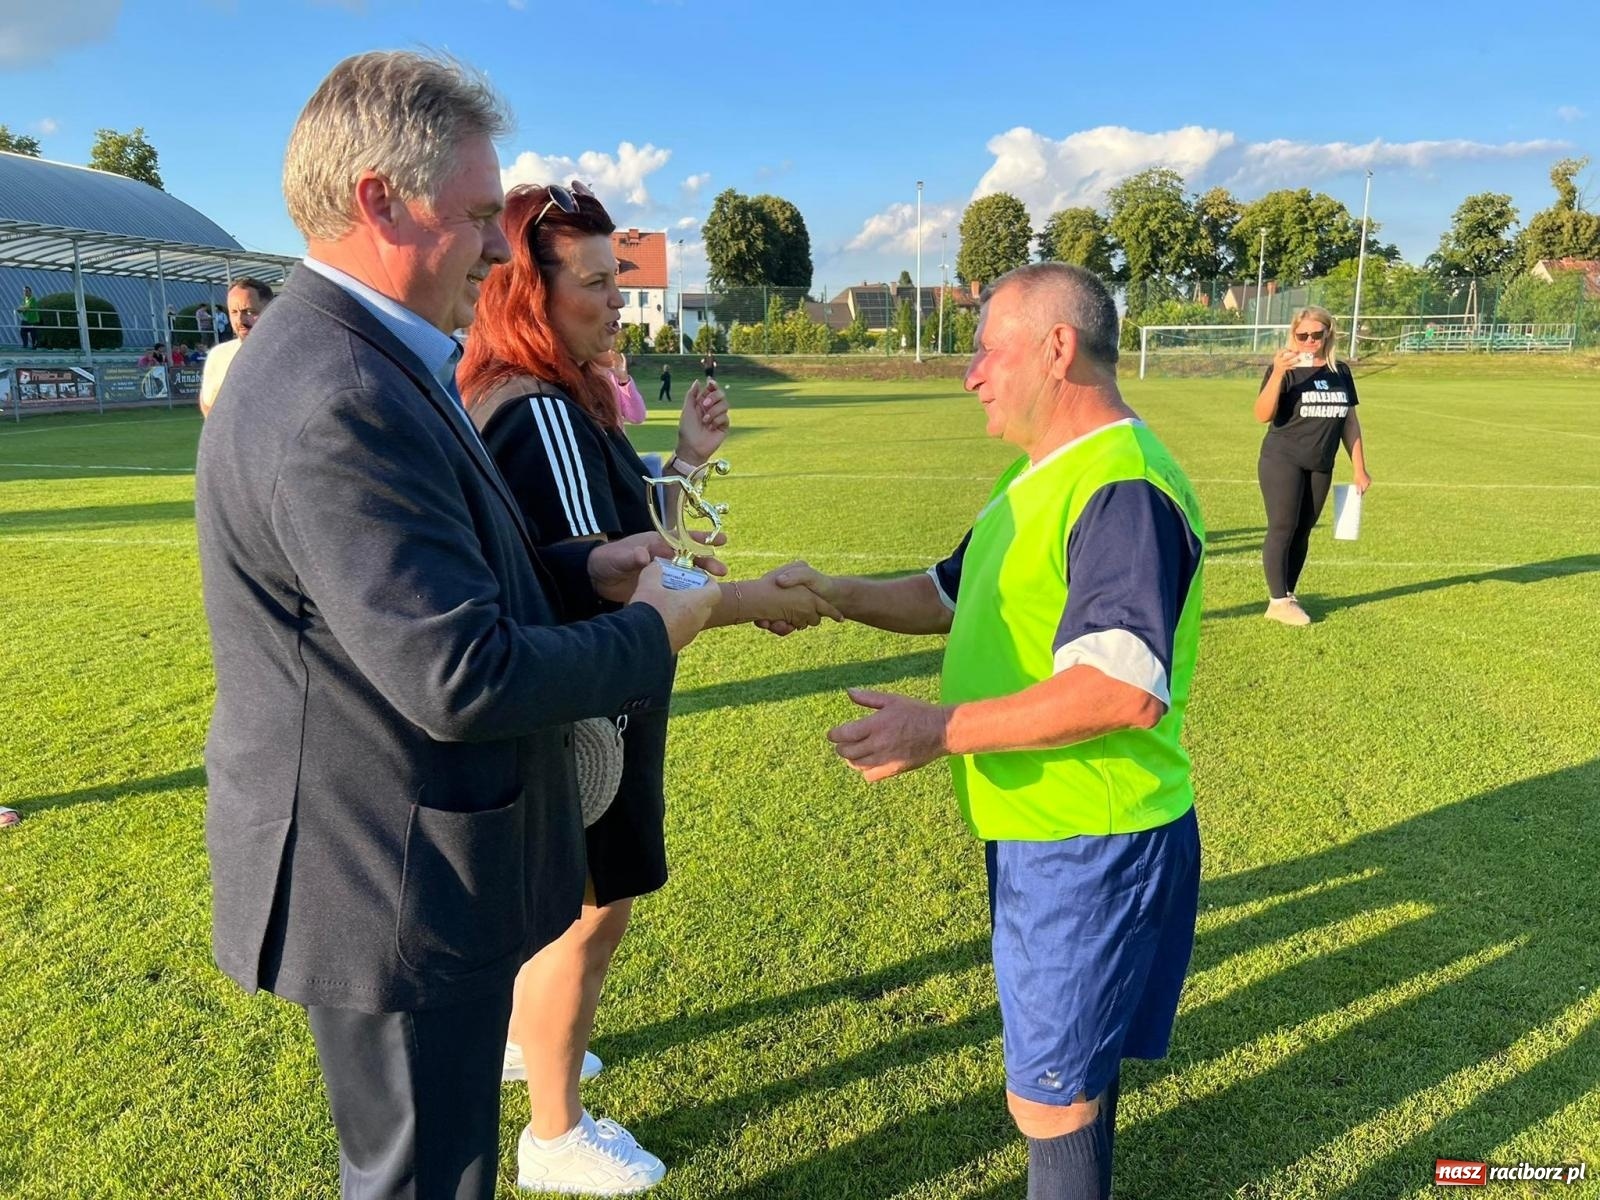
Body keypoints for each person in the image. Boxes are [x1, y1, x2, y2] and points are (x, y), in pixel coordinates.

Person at [194, 52, 720, 1200]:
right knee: (424, 1178)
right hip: (387, 876)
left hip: (405, 855)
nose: (497, 246)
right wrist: (657, 633)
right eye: (481, 213)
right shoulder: (338, 385)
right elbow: (459, 672)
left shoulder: (370, 353)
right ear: (382, 196)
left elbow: (429, 578)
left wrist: (585, 566)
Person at [772, 263, 1204, 1200]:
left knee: (1048, 1103)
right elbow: (943, 594)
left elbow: (1125, 688)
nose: (972, 373)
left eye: (987, 350)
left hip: (1092, 833)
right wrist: (832, 594)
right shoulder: (1036, 479)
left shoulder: (1121, 486)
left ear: (1057, 349)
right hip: (1048, 824)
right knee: (1071, 1082)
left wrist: (940, 729)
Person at [460, 181, 840, 1196]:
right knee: (587, 910)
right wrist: (756, 596)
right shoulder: (537, 407)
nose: (614, 304)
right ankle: (553, 1132)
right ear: (524, 291)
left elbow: (618, 541)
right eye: (591, 284)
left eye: (612, 280)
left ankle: (531, 1042)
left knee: (577, 903)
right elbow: (620, 578)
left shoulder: (550, 396)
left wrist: (682, 464)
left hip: (593, 688)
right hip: (590, 706)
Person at [1252, 305, 1371, 625]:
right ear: (1293, 335)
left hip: (1321, 463)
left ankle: (1288, 594)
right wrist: (1277, 372)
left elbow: (1349, 421)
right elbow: (1261, 414)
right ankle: (1277, 602)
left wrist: (1359, 468)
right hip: (1282, 459)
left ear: (1328, 334)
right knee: (1282, 526)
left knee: (1303, 529)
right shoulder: (1285, 369)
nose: (1309, 341)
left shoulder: (1340, 372)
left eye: (1316, 335)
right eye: (1302, 335)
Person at [198, 277, 274, 417]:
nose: (240, 320)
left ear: (271, 310)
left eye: (249, 312)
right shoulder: (219, 355)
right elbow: (208, 404)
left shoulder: (289, 353)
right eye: (234, 312)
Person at [15, 286, 40, 350]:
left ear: (30, 292)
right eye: (24, 291)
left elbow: (27, 307)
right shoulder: (24, 299)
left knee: (33, 334)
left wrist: (20, 309)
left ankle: (34, 346)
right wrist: (20, 309)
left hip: (33, 320)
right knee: (22, 331)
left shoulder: (32, 299)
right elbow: (23, 306)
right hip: (26, 319)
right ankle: (25, 345)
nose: (25, 293)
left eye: (27, 291)